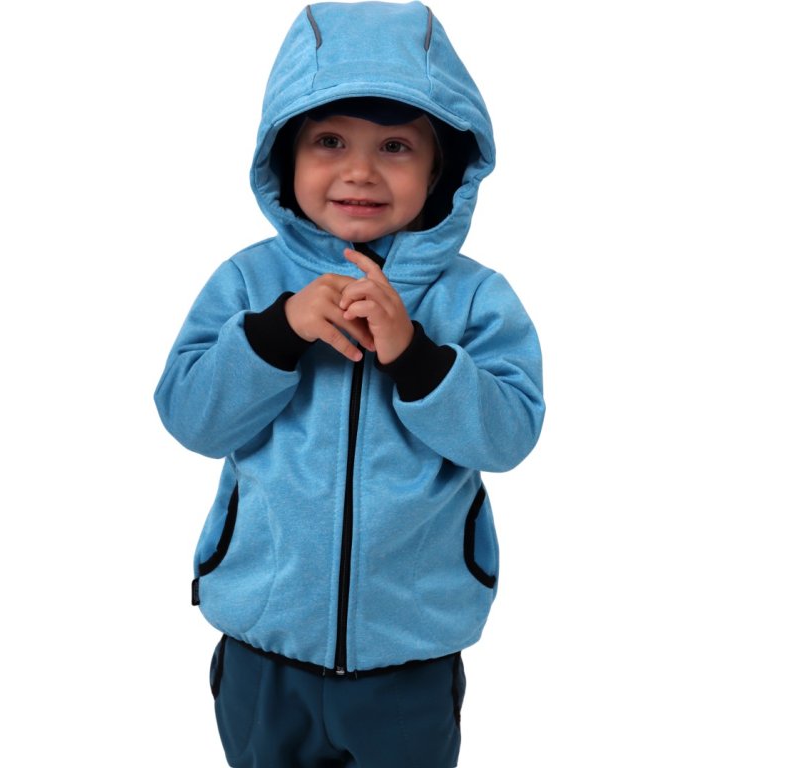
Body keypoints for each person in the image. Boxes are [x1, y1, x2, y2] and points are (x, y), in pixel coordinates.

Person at [154, 2, 545, 765]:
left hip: (410, 653)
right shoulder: (248, 281)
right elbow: (191, 418)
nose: (360, 171)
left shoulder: (475, 297)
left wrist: (417, 357)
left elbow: (509, 436)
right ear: (284, 155)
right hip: (264, 645)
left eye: (395, 146)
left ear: (441, 168)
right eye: (329, 141)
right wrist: (276, 331)